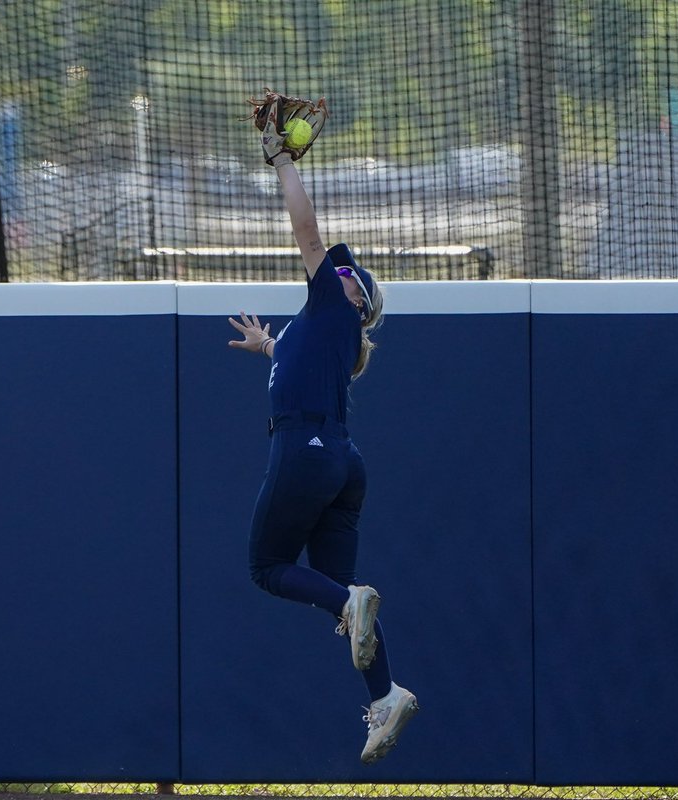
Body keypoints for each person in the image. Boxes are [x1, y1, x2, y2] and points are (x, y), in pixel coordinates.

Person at [227, 103, 418, 765]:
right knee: (345, 610)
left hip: (307, 451)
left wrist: (282, 159)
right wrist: (268, 347)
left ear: (358, 299)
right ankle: (386, 693)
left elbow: (306, 230)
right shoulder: (323, 327)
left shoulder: (335, 299)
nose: (341, 269)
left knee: (266, 568)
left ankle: (354, 602)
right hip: (341, 462)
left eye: (351, 276)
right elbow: (300, 359)